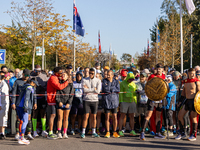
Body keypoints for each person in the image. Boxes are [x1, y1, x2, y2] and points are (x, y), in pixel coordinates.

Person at [140, 63, 166, 140]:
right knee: (148, 115)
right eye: (157, 69)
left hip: (160, 99)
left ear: (162, 70)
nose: (159, 70)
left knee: (158, 116)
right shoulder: (152, 76)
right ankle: (142, 133)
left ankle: (157, 133)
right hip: (152, 98)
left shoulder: (164, 77)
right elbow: (148, 87)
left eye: (160, 69)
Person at [175, 68, 200, 141]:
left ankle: (193, 134)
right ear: (188, 73)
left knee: (193, 118)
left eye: (193, 73)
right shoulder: (185, 82)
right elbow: (183, 93)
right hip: (186, 101)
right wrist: (180, 101)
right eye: (191, 73)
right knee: (180, 116)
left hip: (194, 101)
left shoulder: (197, 82)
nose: (192, 75)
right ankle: (182, 132)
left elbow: (199, 93)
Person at [11, 69, 36, 140]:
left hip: (29, 104)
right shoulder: (17, 81)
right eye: (26, 75)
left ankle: (29, 133)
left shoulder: (31, 82)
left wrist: (35, 102)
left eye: (28, 75)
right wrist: (13, 103)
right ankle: (18, 134)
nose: (27, 77)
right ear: (23, 74)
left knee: (28, 118)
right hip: (20, 103)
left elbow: (33, 94)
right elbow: (14, 93)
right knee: (19, 119)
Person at [46, 67, 69, 140]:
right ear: (56, 73)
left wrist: (64, 79)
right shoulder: (53, 78)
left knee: (54, 116)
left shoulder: (56, 77)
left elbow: (60, 81)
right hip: (51, 99)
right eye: (60, 73)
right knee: (52, 115)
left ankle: (52, 131)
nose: (61, 74)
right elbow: (59, 86)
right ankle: (50, 132)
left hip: (55, 99)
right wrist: (67, 82)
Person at [16, 78, 39, 145]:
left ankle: (21, 136)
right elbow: (27, 98)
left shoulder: (24, 86)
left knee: (22, 121)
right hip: (24, 106)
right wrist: (26, 107)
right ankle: (22, 138)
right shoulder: (29, 88)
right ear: (32, 82)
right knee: (25, 121)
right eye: (35, 84)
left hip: (19, 106)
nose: (35, 86)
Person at [80, 68, 101, 138]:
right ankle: (83, 132)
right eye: (90, 73)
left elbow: (98, 91)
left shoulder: (98, 80)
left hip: (95, 100)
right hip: (86, 100)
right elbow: (84, 90)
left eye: (92, 73)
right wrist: (93, 89)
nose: (91, 74)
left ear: (94, 73)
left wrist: (89, 89)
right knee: (86, 116)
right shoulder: (84, 80)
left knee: (94, 116)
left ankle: (94, 132)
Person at [31, 65, 48, 138]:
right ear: (34, 70)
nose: (38, 72)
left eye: (39, 71)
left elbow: (47, 86)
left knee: (43, 113)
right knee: (35, 113)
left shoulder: (44, 76)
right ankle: (34, 131)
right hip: (35, 97)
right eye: (36, 71)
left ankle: (43, 130)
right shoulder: (31, 76)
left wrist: (42, 87)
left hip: (42, 97)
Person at [118, 72, 137, 137]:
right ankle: (120, 130)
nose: (131, 80)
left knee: (132, 116)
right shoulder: (122, 83)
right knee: (122, 116)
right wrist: (120, 102)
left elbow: (135, 94)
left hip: (132, 102)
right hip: (124, 101)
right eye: (130, 79)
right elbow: (120, 93)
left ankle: (132, 130)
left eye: (132, 79)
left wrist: (135, 102)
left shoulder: (134, 84)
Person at [56, 72, 74, 139]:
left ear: (67, 76)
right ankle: (59, 132)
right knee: (60, 118)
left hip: (67, 103)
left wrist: (68, 103)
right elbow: (57, 93)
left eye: (64, 75)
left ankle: (65, 132)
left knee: (66, 118)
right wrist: (59, 101)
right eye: (62, 75)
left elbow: (71, 94)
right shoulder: (59, 83)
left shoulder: (70, 84)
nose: (63, 76)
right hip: (60, 103)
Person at [102, 70, 120, 138]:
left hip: (114, 101)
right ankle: (107, 132)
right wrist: (110, 86)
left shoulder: (116, 81)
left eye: (109, 75)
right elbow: (105, 89)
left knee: (115, 117)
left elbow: (118, 89)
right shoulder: (104, 81)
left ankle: (114, 131)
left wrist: (110, 89)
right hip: (107, 101)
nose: (108, 76)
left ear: (112, 75)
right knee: (107, 117)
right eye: (107, 75)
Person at [0, 75, 9, 140]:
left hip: (3, 104)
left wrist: (0, 104)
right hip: (2, 104)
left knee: (3, 118)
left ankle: (2, 133)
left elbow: (2, 95)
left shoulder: (4, 84)